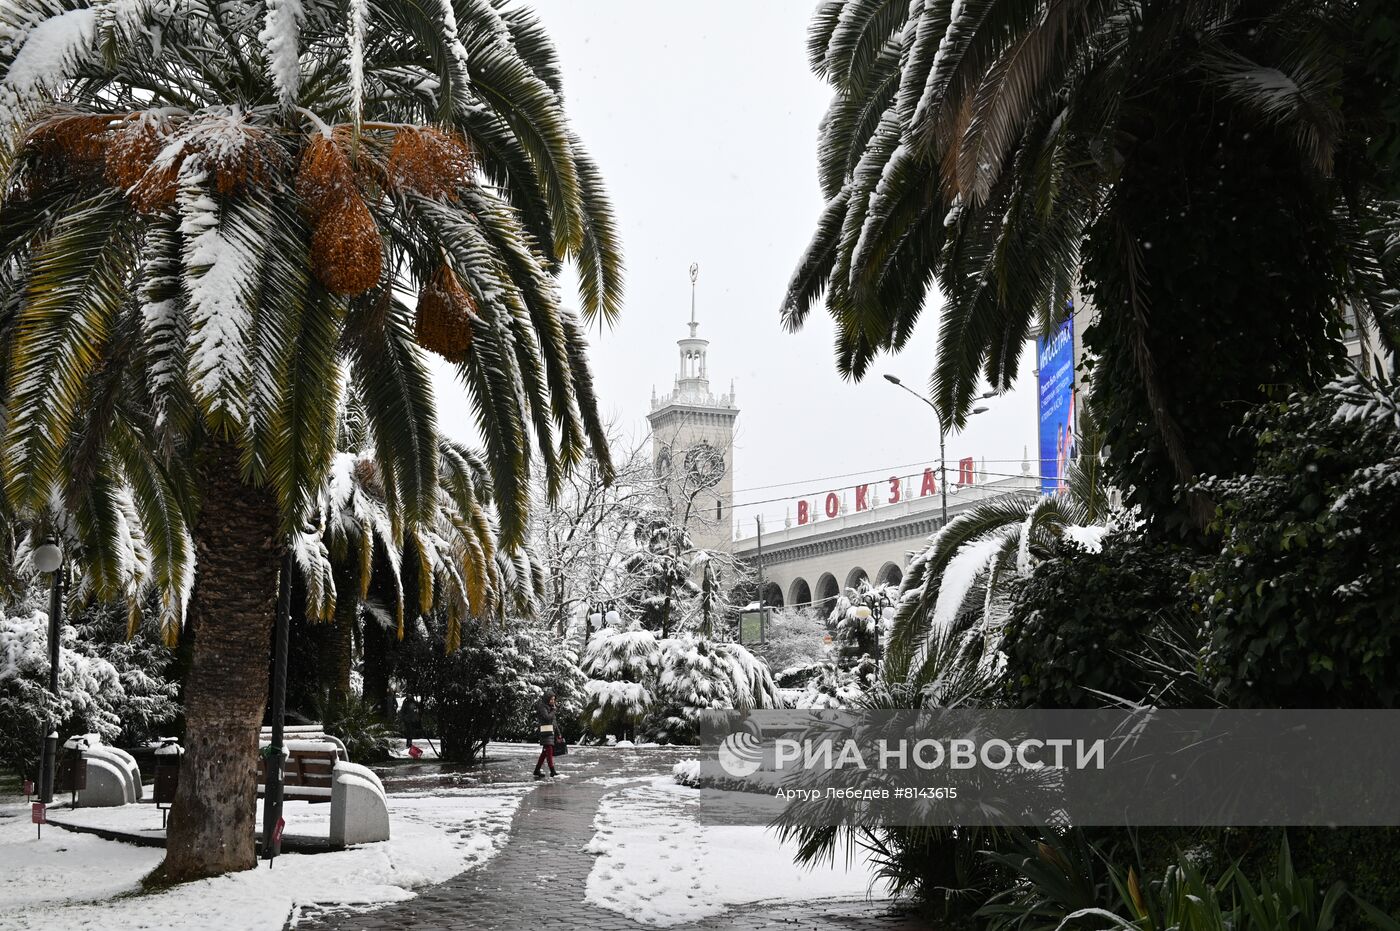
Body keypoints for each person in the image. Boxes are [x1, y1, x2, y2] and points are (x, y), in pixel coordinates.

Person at [533, 692, 559, 779]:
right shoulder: (542, 706)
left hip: (551, 732)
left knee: (545, 752)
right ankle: (552, 771)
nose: (553, 701)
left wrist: (558, 733)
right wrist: (553, 711)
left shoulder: (551, 707)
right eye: (551, 699)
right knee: (549, 750)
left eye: (554, 699)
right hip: (545, 732)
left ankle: (537, 770)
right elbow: (547, 718)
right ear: (547, 699)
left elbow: (554, 722)